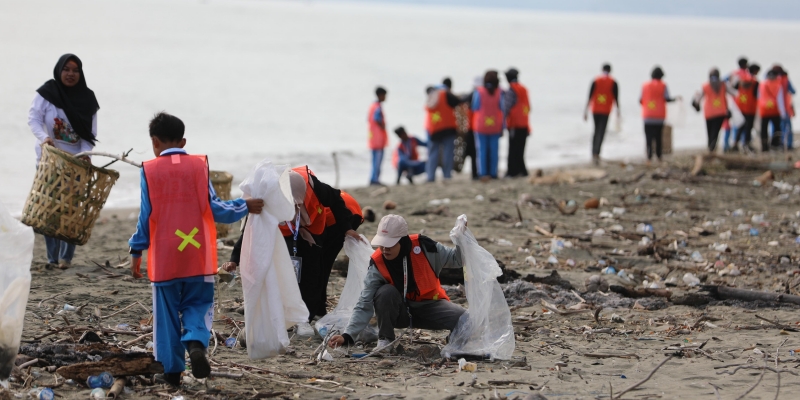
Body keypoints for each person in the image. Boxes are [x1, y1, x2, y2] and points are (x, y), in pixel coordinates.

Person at [128, 112, 263, 386]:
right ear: (184, 140)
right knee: (198, 303)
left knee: (165, 314)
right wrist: (244, 205)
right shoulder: (198, 166)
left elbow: (145, 216)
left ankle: (172, 371)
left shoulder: (149, 170)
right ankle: (194, 342)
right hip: (197, 254)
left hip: (164, 258)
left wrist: (136, 251)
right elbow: (216, 209)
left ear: (154, 142)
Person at [225, 166, 360, 335]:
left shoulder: (315, 188)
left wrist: (347, 228)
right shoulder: (265, 197)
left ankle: (305, 318)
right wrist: (234, 259)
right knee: (284, 268)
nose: (293, 210)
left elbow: (337, 200)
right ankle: (284, 311)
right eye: (289, 205)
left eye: (297, 205)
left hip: (313, 227)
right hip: (284, 230)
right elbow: (249, 231)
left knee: (313, 270)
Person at [327, 214, 466, 351]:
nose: (385, 249)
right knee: (385, 292)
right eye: (382, 244)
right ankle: (385, 340)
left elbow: (457, 259)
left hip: (431, 306)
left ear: (402, 240)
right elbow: (365, 301)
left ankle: (454, 340)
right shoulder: (378, 262)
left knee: (464, 319)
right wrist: (347, 335)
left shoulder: (425, 246)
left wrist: (461, 238)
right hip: (399, 312)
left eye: (390, 244)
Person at [28, 54, 100, 270]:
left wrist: (83, 155)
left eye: (75, 70)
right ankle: (52, 257)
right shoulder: (47, 93)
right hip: (49, 160)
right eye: (66, 69)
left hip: (75, 163)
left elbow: (90, 135)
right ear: (59, 70)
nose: (70, 74)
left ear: (81, 73)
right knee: (49, 209)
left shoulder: (88, 99)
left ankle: (66, 259)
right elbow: (34, 118)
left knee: (71, 210)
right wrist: (45, 138)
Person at [425, 78, 462, 182]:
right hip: (448, 127)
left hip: (434, 128)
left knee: (433, 153)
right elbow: (457, 102)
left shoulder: (432, 95)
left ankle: (430, 176)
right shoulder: (446, 93)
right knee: (448, 153)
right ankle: (447, 175)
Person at [640, 66, 679, 164]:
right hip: (659, 117)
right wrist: (676, 99)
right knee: (658, 137)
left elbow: (640, 100)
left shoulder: (645, 85)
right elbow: (667, 98)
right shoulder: (663, 85)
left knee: (648, 137)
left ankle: (649, 157)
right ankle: (658, 156)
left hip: (647, 116)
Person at [583, 63, 620, 165]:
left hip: (595, 109)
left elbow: (589, 96)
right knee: (601, 131)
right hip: (605, 110)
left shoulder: (596, 80)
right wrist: (618, 112)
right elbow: (617, 98)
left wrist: (585, 111)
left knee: (596, 130)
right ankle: (597, 152)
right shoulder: (613, 82)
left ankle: (594, 152)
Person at [471, 71, 504, 181]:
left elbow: (475, 107)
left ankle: (483, 173)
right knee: (494, 150)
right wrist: (503, 126)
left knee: (482, 150)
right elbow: (502, 108)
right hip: (495, 124)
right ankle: (493, 173)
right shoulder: (499, 92)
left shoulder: (479, 92)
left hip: (481, 125)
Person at [692, 68, 731, 153]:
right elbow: (734, 93)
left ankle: (710, 148)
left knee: (709, 131)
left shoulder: (705, 86)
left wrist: (695, 104)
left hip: (709, 113)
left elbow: (697, 100)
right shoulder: (723, 85)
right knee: (716, 132)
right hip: (721, 112)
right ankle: (712, 148)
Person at [503, 68, 531, 177]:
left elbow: (506, 107)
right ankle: (522, 170)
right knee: (521, 149)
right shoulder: (523, 89)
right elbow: (528, 107)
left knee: (513, 149)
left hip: (515, 124)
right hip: (524, 123)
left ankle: (512, 171)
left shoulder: (512, 90)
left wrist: (502, 121)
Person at [731, 63, 760, 152]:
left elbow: (734, 87)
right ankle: (746, 144)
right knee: (749, 126)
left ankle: (735, 144)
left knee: (741, 125)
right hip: (750, 107)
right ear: (755, 71)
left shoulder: (741, 79)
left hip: (741, 105)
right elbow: (757, 95)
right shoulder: (755, 82)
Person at [758, 69, 786, 151]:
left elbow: (758, 97)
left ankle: (764, 146)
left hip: (764, 109)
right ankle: (775, 145)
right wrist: (783, 112)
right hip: (774, 110)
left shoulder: (762, 84)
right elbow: (780, 99)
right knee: (777, 128)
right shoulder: (778, 85)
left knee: (764, 129)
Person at [368, 87, 388, 185]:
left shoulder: (372, 106)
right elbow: (376, 118)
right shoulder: (378, 107)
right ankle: (375, 179)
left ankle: (373, 178)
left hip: (373, 137)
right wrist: (382, 126)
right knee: (378, 160)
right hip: (378, 138)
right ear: (380, 95)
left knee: (374, 160)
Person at [775, 66, 795, 150]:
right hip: (785, 107)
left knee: (777, 127)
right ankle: (789, 144)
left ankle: (779, 144)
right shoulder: (786, 81)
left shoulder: (773, 81)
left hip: (775, 109)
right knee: (788, 127)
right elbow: (793, 91)